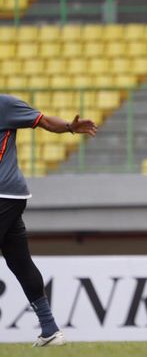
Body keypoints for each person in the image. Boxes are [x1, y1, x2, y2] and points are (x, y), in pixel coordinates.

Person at [0, 95, 97, 347]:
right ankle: (50, 330)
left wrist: (68, 127)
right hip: (10, 197)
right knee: (20, 262)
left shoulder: (5, 104)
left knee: (20, 263)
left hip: (3, 195)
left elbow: (43, 120)